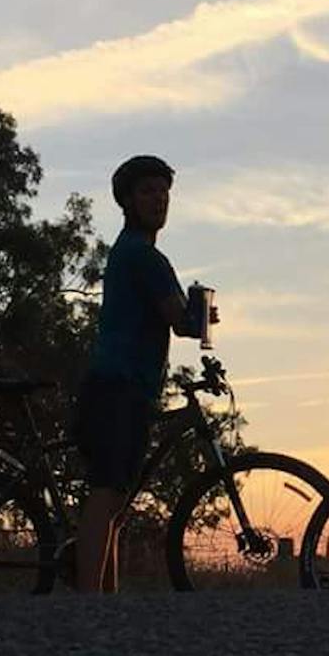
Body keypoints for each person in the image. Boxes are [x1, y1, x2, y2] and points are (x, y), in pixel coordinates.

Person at [72, 154, 212, 592]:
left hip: (118, 384)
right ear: (128, 201)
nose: (159, 199)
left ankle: (104, 603)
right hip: (121, 386)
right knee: (108, 492)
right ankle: (87, 600)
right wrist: (201, 315)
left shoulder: (129, 252)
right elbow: (179, 319)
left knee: (115, 497)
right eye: (148, 191)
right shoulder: (144, 257)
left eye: (164, 191)